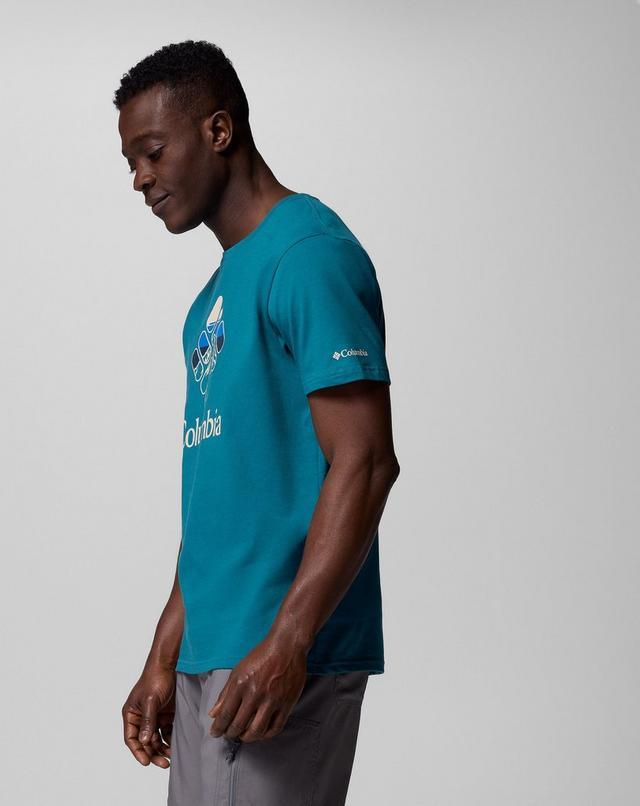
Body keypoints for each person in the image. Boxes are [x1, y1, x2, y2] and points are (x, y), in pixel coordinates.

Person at [113, 39, 400, 806]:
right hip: (212, 655)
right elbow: (221, 496)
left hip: (276, 658)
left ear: (218, 130)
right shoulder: (210, 300)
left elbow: (366, 461)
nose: (139, 178)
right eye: (129, 163)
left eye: (151, 152)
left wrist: (290, 641)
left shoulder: (307, 255)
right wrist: (165, 652)